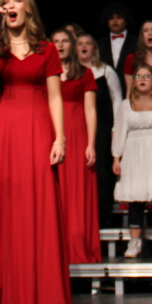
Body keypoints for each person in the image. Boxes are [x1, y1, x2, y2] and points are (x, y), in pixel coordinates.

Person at [0, 0, 72, 304]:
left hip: (37, 128)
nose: (10, 6)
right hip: (1, 133)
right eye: (4, 2)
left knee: (38, 209)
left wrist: (60, 139)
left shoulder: (46, 50)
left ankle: (46, 302)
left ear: (27, 8)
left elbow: (56, 97)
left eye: (16, 1)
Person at [113, 64, 152, 258]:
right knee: (135, 199)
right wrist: (116, 156)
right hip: (133, 154)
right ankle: (134, 243)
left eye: (147, 76)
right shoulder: (125, 105)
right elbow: (119, 131)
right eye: (138, 76)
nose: (142, 79)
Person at [52, 29, 100, 264]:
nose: (60, 46)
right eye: (56, 42)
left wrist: (91, 143)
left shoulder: (85, 73)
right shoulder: (46, 74)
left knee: (77, 192)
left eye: (64, 42)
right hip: (52, 136)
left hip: (78, 137)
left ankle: (78, 247)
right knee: (54, 192)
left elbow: (90, 110)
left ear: (71, 45)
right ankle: (53, 250)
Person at [76, 32, 122, 226]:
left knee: (101, 171)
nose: (84, 47)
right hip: (77, 128)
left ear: (94, 48)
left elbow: (117, 100)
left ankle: (103, 217)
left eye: (88, 43)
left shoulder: (105, 71)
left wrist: (115, 128)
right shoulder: (70, 72)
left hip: (102, 129)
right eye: (80, 44)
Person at [98, 3, 134, 76]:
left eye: (119, 18)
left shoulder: (136, 41)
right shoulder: (99, 44)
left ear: (126, 21)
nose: (115, 21)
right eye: (111, 18)